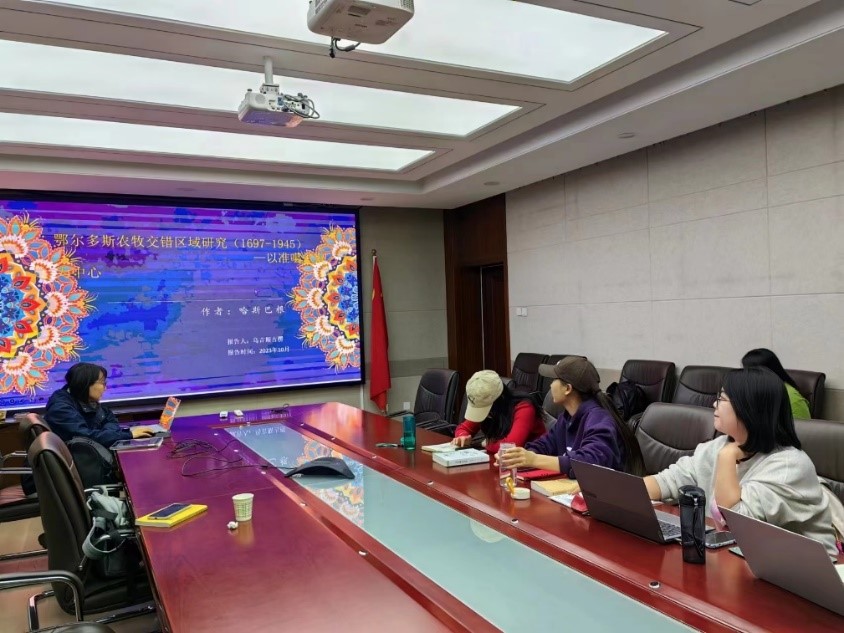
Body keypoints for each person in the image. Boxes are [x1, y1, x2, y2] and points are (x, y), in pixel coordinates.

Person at [644, 367, 837, 557]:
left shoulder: (789, 466)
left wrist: (727, 457)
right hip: (746, 556)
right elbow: (668, 481)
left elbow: (733, 520)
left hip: (807, 567)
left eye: (722, 399)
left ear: (748, 408)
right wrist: (632, 492)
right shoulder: (717, 446)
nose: (714, 404)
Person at [497, 356, 644, 477]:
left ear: (567, 388)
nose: (550, 385)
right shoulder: (566, 418)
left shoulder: (599, 419)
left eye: (554, 380)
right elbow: (544, 445)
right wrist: (519, 457)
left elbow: (590, 463)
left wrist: (534, 460)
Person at [45, 362, 153, 447]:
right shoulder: (61, 409)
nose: (105, 388)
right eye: (102, 383)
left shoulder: (82, 398)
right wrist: (129, 435)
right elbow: (87, 438)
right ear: (85, 384)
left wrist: (109, 434)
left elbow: (109, 417)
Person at [451, 370, 545, 455]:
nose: (486, 414)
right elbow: (463, 428)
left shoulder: (524, 408)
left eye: (485, 409)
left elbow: (511, 446)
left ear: (500, 399)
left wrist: (484, 443)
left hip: (532, 458)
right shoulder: (492, 409)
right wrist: (462, 437)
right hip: (504, 459)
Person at [741, 348, 811, 419]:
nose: (745, 376)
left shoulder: (791, 399)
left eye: (750, 373)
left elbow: (803, 425)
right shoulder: (751, 393)